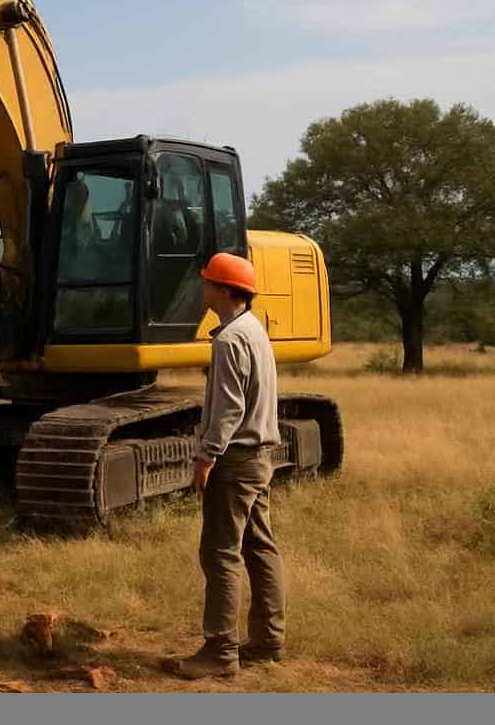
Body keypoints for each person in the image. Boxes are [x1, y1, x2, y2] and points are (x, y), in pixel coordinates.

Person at [167, 252, 285, 680]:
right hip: (259, 458)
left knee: (219, 554)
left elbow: (229, 409)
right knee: (260, 548)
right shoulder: (254, 331)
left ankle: (220, 651)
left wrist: (206, 456)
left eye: (206, 283)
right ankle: (269, 641)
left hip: (235, 461)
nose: (202, 289)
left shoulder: (229, 339)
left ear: (221, 289)